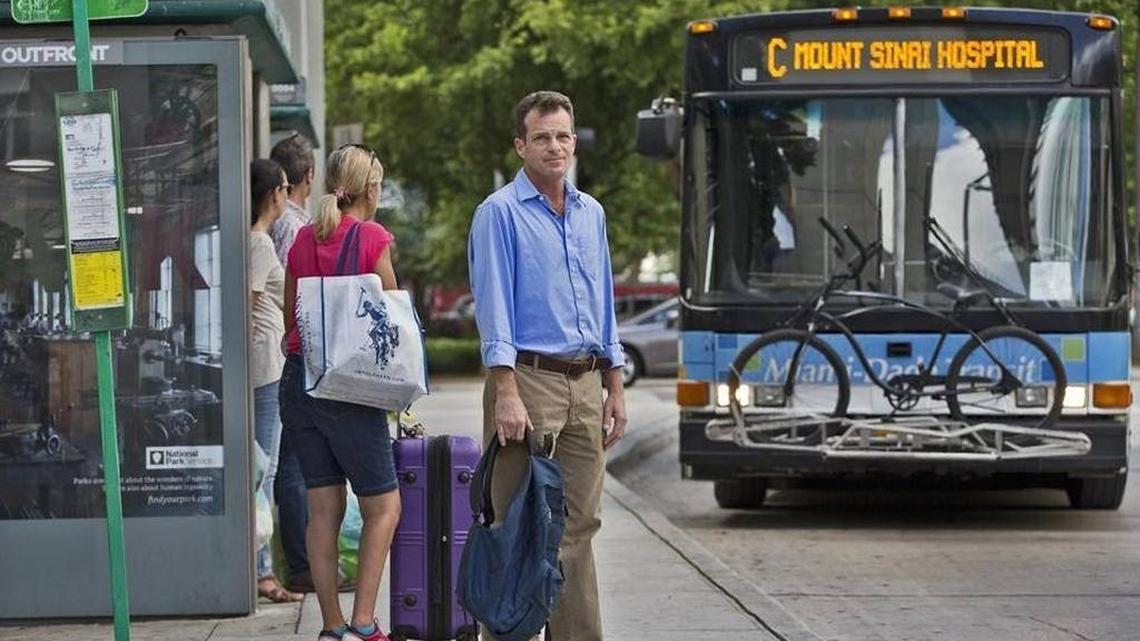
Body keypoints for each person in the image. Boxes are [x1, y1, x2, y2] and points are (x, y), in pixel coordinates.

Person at [467, 91, 629, 641]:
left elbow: (604, 302)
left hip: (585, 384)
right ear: (520, 146)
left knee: (579, 526)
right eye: (542, 137)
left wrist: (615, 384)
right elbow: (494, 310)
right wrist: (505, 390)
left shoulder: (592, 213)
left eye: (563, 135)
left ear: (574, 141)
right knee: (518, 526)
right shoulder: (498, 214)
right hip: (528, 384)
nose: (555, 146)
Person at [281, 144, 401, 641]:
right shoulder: (372, 237)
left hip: (300, 381)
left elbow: (293, 319)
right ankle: (366, 624)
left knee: (323, 509)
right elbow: (391, 318)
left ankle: (332, 627)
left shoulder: (302, 240)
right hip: (349, 389)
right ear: (371, 189)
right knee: (384, 506)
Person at [248, 158, 302, 603]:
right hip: (264, 368)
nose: (287, 195)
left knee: (263, 466)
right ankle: (263, 573)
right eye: (284, 188)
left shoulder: (255, 242)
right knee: (264, 469)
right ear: (273, 195)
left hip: (266, 366)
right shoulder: (259, 244)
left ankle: (260, 567)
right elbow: (248, 304)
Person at [267, 132, 319, 593]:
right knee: (294, 465)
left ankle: (293, 562)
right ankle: (301, 566)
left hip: (281, 353)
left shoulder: (275, 223)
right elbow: (295, 298)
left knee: (289, 463)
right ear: (309, 176)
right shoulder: (298, 227)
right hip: (293, 356)